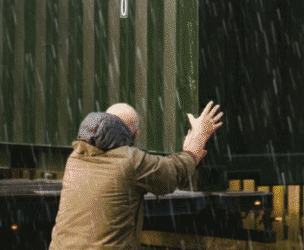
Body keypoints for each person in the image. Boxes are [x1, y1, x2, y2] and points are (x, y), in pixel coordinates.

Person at [48, 101, 224, 250]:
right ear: (135, 134)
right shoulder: (129, 162)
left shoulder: (76, 157)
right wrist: (195, 146)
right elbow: (171, 174)